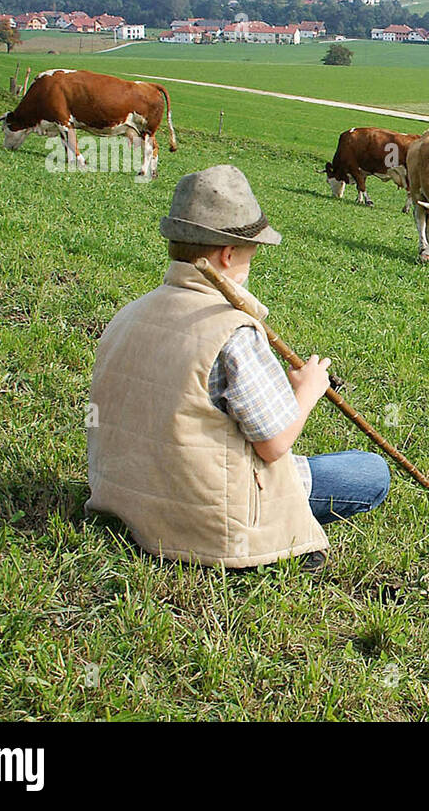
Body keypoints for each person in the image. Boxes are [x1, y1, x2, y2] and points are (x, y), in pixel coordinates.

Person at [87, 164, 389, 570]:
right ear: (228, 255)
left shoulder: (129, 314)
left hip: (124, 493)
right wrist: (308, 389)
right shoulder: (232, 330)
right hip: (205, 512)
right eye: (251, 256)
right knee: (369, 472)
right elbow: (274, 443)